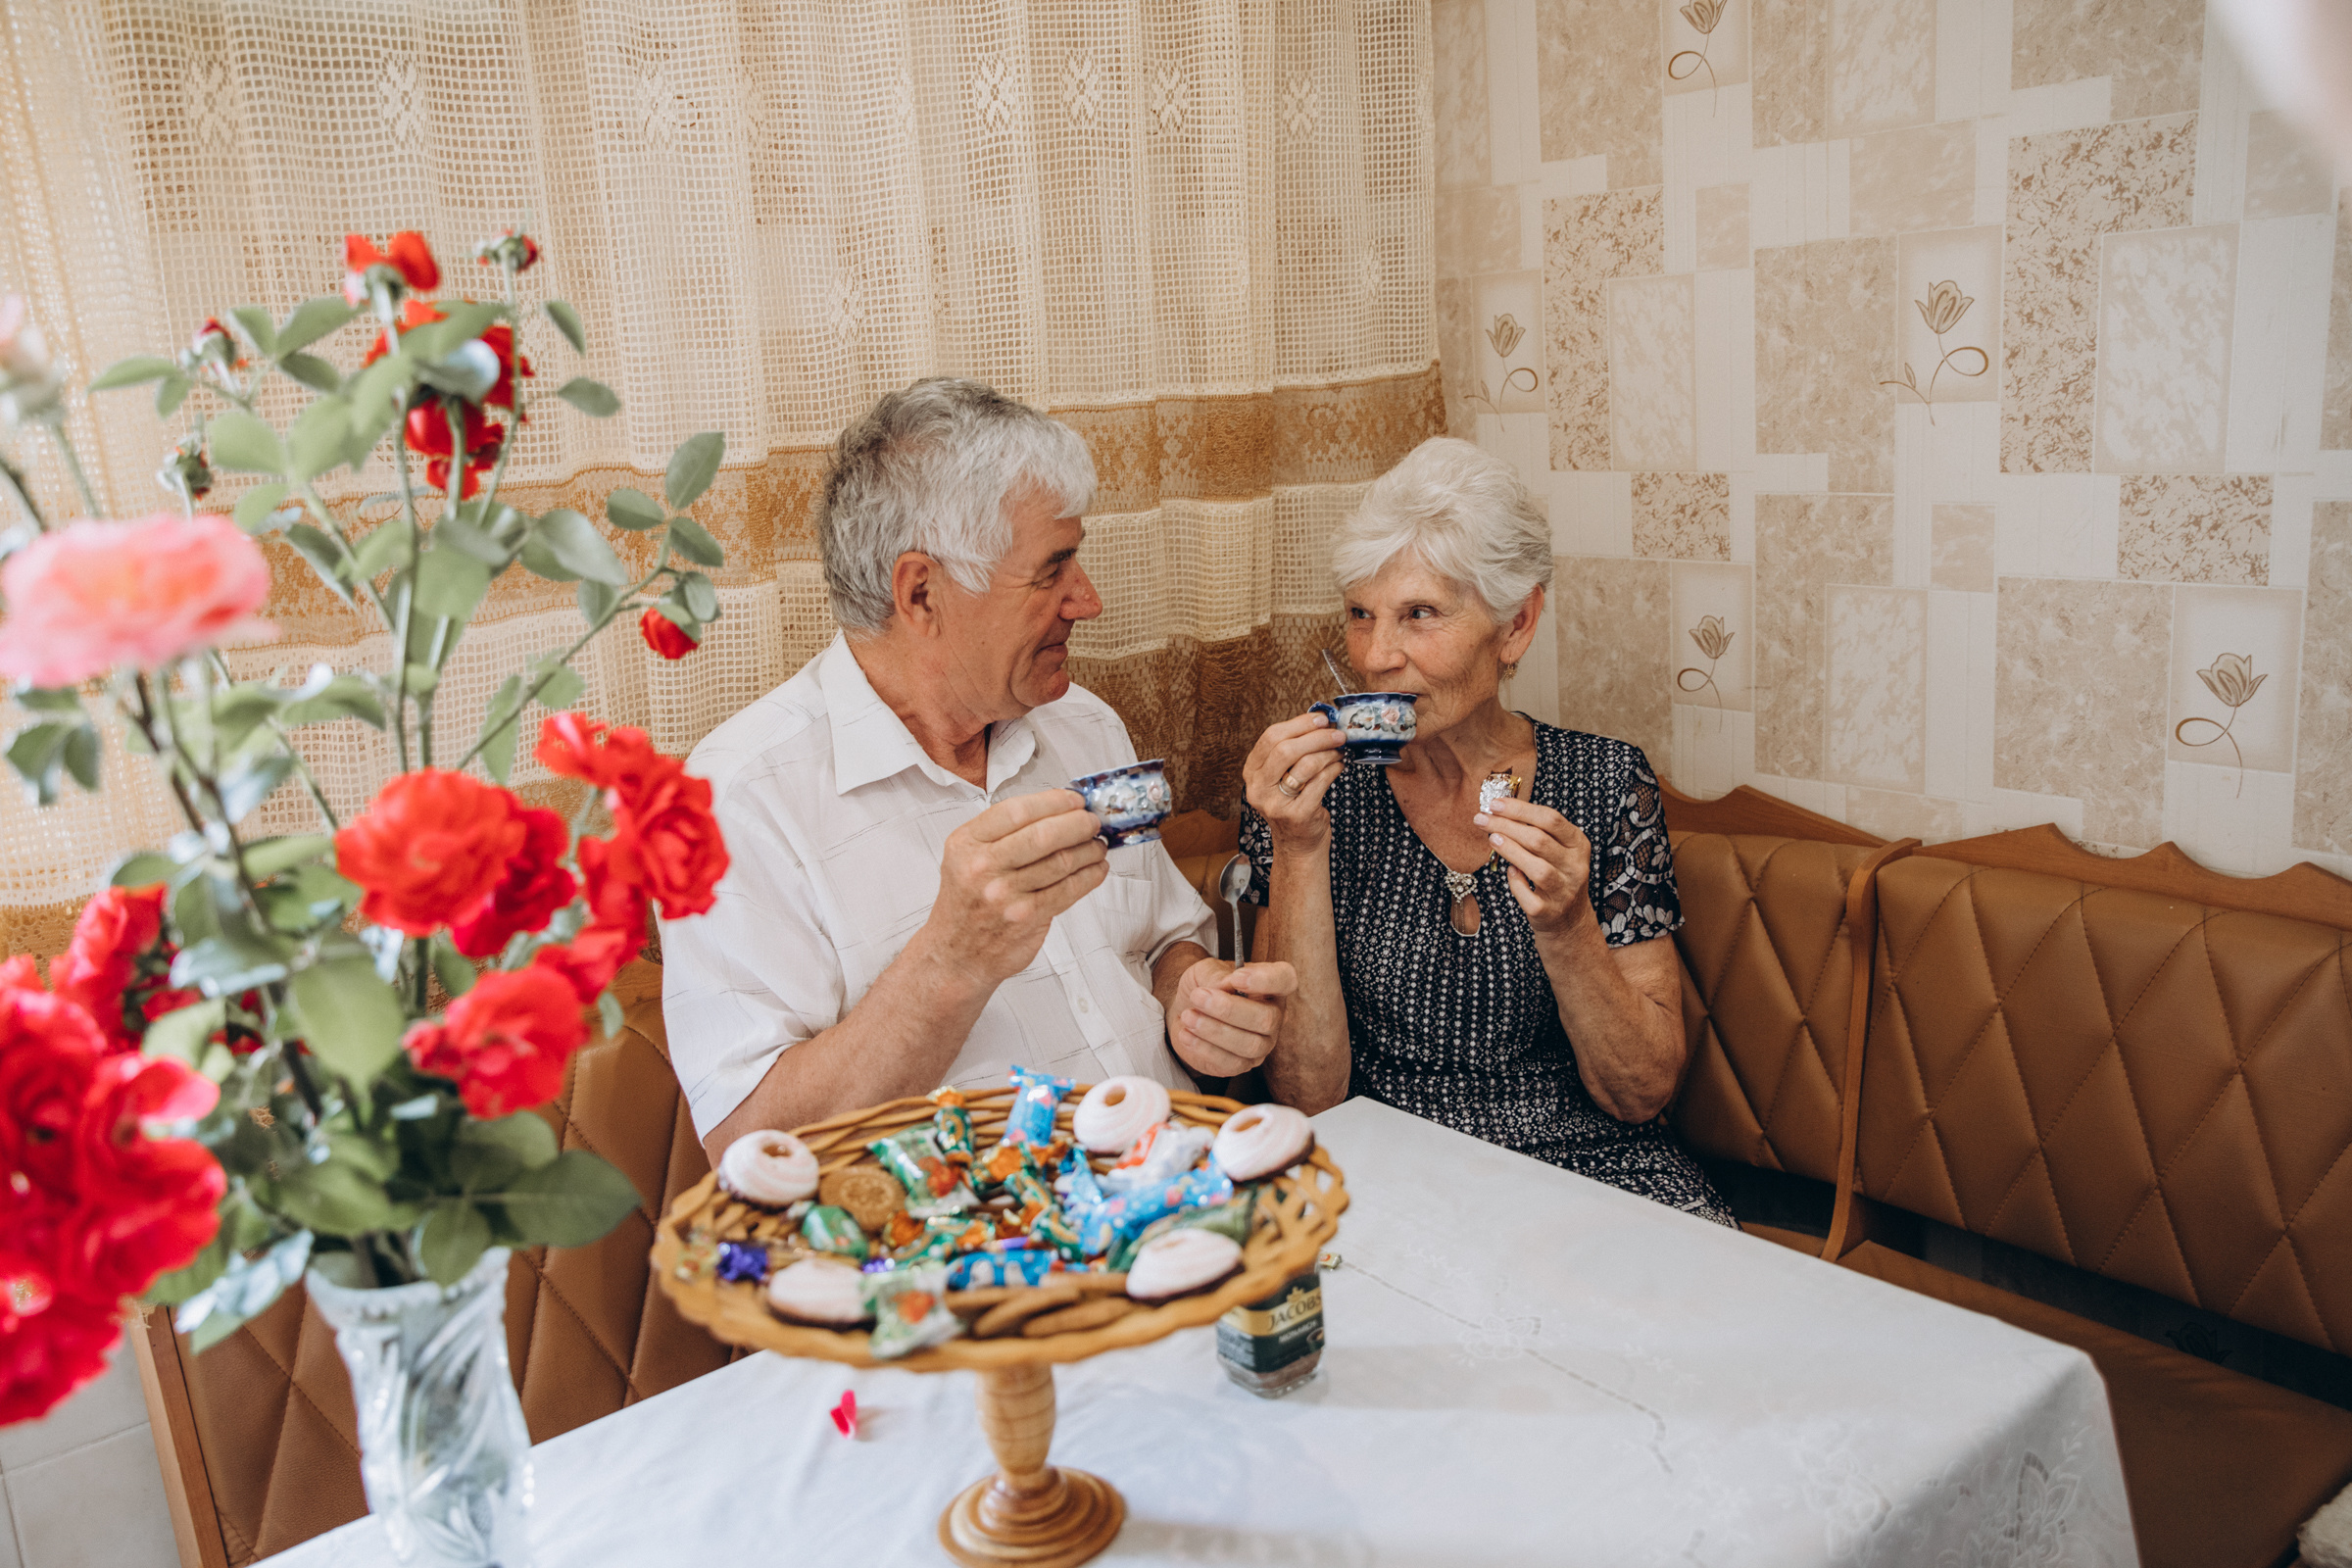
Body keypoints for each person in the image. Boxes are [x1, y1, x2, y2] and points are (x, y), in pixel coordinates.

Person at [662, 378, 1297, 1165]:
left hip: (1184, 1195)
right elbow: (751, 1150)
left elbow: (1163, 940)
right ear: (921, 592)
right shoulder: (737, 800)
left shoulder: (1083, 723)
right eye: (1051, 570)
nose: (1087, 600)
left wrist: (1190, 993)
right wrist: (950, 961)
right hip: (972, 1266)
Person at [1238, 437, 1732, 1226]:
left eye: (1419, 615)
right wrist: (1297, 848)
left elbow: (1640, 1094)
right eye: (1360, 615)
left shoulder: (1606, 784)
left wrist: (1568, 928)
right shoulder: (1312, 799)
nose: (1375, 656)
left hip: (1589, 1171)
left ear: (1517, 624)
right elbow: (1308, 1097)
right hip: (1385, 1176)